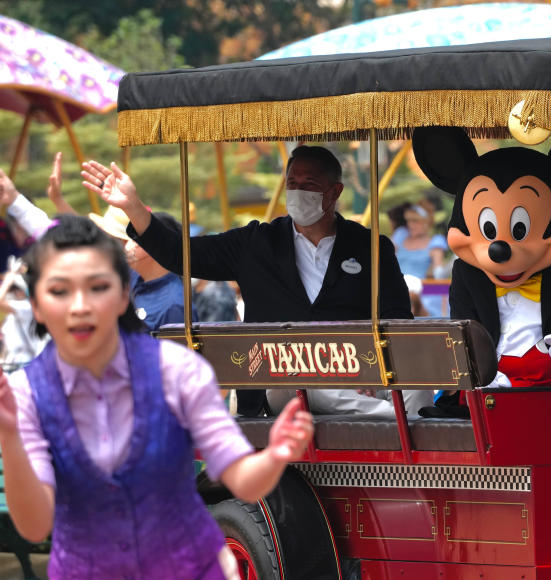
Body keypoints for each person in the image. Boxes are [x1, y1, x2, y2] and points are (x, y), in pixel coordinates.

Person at [0, 215, 314, 580]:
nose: (80, 305)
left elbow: (242, 479)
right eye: (59, 291)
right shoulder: (24, 393)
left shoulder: (179, 371)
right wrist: (10, 439)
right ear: (36, 304)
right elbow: (35, 526)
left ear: (122, 295)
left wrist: (274, 455)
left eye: (97, 287)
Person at [80, 147, 420, 418]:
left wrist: (369, 373)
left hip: (361, 372)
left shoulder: (369, 247)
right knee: (309, 383)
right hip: (282, 377)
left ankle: (421, 446)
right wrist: (134, 208)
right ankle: (391, 418)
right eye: (293, 183)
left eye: (310, 185)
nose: (299, 191)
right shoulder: (256, 244)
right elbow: (182, 254)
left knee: (421, 377)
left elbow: (397, 320)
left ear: (334, 192)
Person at [89, 207, 196, 331]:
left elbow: (177, 350)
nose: (128, 245)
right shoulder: (136, 278)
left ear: (155, 246)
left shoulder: (174, 306)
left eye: (136, 240)